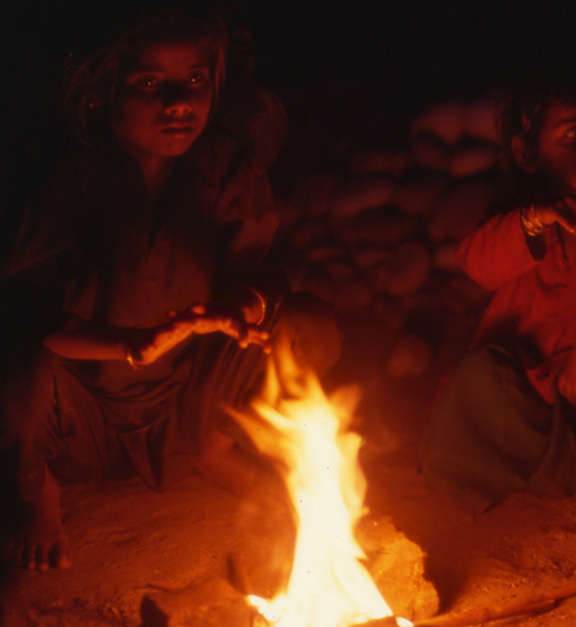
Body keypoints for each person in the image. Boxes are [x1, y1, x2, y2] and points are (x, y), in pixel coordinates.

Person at [0, 5, 341, 572]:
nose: (179, 102)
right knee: (18, 372)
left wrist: (237, 309)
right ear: (101, 92)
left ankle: (215, 450)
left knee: (306, 324)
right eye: (150, 83)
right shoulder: (69, 181)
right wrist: (133, 345)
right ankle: (39, 497)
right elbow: (29, 324)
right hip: (87, 413)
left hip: (189, 397)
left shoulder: (222, 166)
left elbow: (264, 278)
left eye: (195, 79)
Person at [418, 79, 576, 513]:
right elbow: (478, 264)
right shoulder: (524, 222)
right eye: (573, 134)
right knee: (478, 380)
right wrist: (531, 223)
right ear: (527, 152)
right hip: (532, 387)